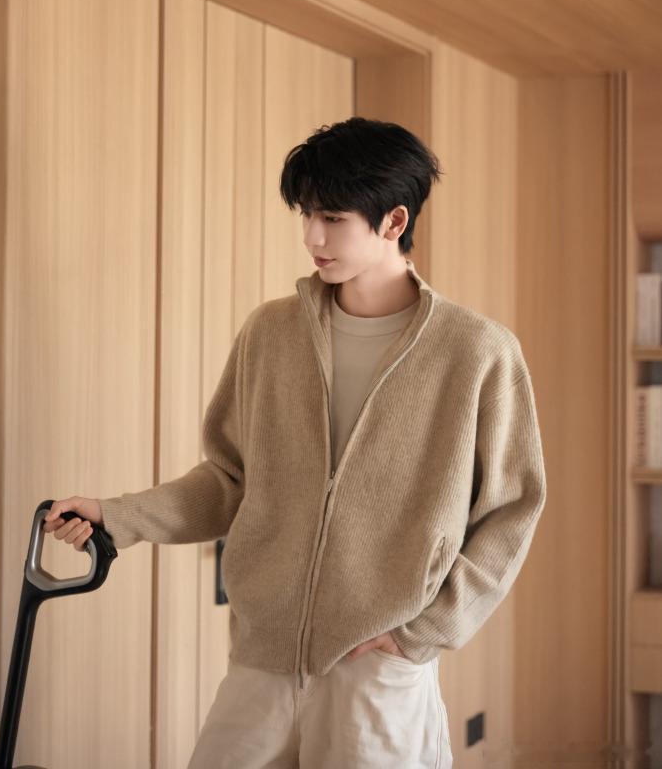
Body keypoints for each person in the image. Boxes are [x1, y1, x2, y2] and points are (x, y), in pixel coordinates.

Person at [44, 116, 547, 768]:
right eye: (307, 214)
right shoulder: (271, 333)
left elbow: (511, 509)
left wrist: (423, 632)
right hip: (263, 656)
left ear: (394, 221)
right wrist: (118, 515)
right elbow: (229, 479)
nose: (312, 236)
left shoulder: (477, 351)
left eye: (332, 218)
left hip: (378, 667)